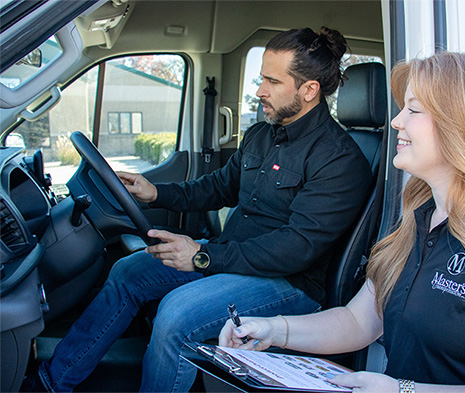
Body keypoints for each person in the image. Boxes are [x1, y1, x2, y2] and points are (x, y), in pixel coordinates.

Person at [218, 52, 465, 392]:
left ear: (461, 124)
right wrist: (272, 330)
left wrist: (403, 391)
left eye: (413, 110)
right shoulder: (419, 219)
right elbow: (358, 322)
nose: (396, 121)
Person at [37, 27, 372, 392]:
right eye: (261, 79)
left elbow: (296, 248)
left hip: (289, 283)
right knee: (128, 271)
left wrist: (203, 256)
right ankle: (53, 382)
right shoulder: (262, 134)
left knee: (176, 316)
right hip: (235, 259)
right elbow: (217, 187)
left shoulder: (339, 159)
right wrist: (154, 193)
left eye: (273, 82)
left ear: (309, 90)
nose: (260, 91)